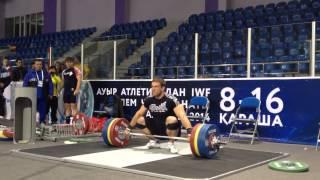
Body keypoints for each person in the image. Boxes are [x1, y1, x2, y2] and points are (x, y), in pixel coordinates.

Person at [125, 78, 193, 154]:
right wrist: (128, 128)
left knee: (172, 119)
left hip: (170, 129)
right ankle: (153, 140)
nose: (153, 89)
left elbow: (182, 115)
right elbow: (138, 113)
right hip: (156, 128)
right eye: (152, 86)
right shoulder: (149, 99)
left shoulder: (171, 99)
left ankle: (171, 143)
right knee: (139, 119)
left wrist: (190, 132)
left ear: (163, 88)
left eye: (156, 87)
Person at [23, 59, 53, 125]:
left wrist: (51, 93)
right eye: (37, 64)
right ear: (34, 65)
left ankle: (42, 122)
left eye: (40, 64)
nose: (39, 66)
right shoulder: (29, 74)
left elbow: (50, 84)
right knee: (31, 110)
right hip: (32, 96)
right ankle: (30, 124)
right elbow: (25, 84)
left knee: (43, 110)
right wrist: (25, 94)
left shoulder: (46, 74)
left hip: (43, 95)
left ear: (42, 65)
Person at [61, 57, 81, 124]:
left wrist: (77, 89)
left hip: (73, 91)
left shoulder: (76, 70)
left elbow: (79, 80)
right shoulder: (64, 72)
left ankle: (76, 123)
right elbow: (63, 82)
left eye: (70, 62)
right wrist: (59, 91)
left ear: (73, 62)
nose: (69, 63)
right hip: (66, 92)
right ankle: (67, 123)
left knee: (73, 107)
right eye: (67, 62)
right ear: (65, 63)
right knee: (67, 108)